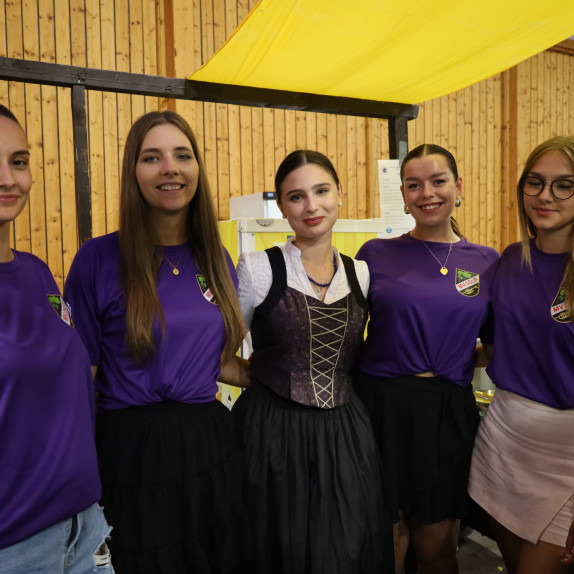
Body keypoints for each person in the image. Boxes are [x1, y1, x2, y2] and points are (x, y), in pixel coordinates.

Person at [64, 110, 250, 574]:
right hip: (131, 454)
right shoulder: (97, 259)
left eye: (182, 155)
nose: (170, 168)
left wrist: (299, 373)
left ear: (197, 168)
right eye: (152, 157)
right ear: (133, 171)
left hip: (209, 446)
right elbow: (79, 383)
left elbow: (217, 362)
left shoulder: (215, 257)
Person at [233, 149, 394, 574]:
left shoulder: (360, 273)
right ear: (283, 207)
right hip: (272, 434)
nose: (311, 206)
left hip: (346, 434)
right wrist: (264, 380)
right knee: (276, 545)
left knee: (346, 547)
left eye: (321, 191)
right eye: (296, 196)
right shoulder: (258, 269)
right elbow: (214, 354)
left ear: (340, 193)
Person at [354, 143, 500, 574]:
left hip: (446, 412)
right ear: (403, 194)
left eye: (438, 181)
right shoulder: (374, 254)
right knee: (387, 546)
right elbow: (345, 333)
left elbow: (494, 347)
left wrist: (456, 356)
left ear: (458, 186)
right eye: (414, 185)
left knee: (438, 549)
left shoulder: (488, 263)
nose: (427, 193)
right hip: (381, 407)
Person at [0, 104, 114, 572]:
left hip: (85, 531)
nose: (7, 178)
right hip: (15, 548)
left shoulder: (37, 272)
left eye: (18, 161)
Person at [469, 136, 574, 574]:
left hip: (565, 455)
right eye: (535, 182)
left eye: (563, 185)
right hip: (503, 437)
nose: (545, 195)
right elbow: (497, 342)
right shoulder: (511, 260)